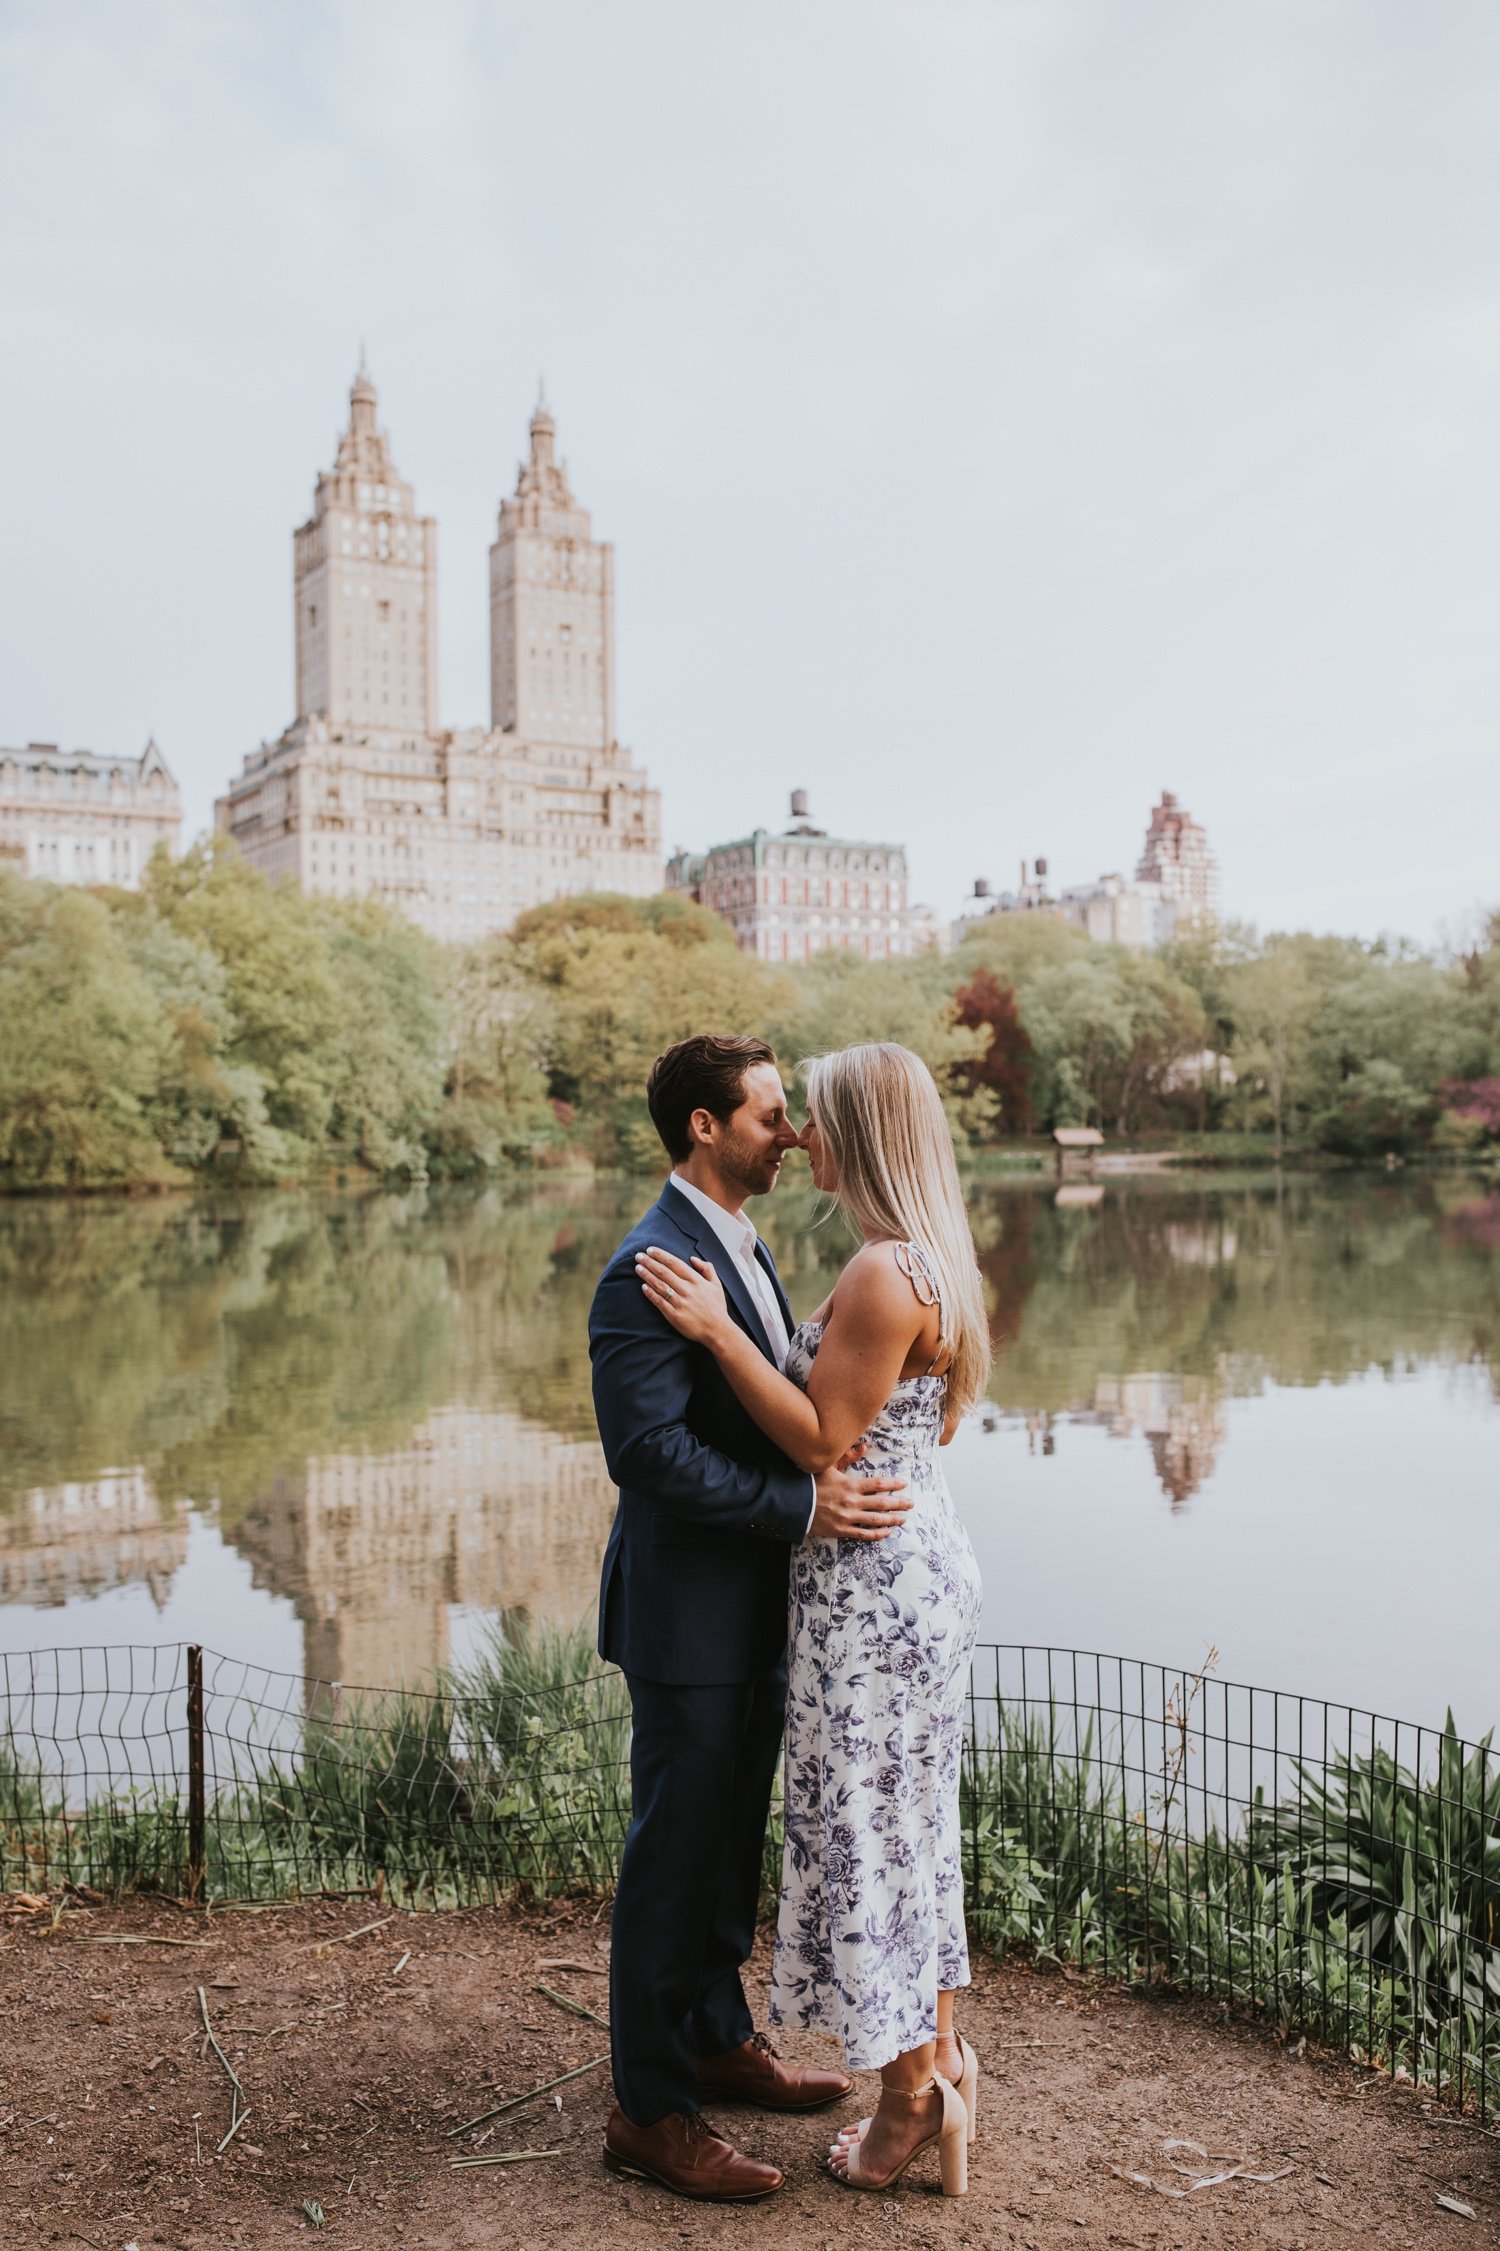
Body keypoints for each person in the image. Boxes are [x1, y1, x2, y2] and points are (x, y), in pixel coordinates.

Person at [636, 1040, 990, 2198]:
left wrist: (723, 1333)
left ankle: (905, 2105)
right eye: (782, 1116)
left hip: (874, 1591)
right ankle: (934, 2063)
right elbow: (908, 1434)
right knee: (907, 1827)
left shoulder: (888, 1273)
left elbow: (826, 1440)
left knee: (869, 1835)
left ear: (863, 1132)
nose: (798, 1136)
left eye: (812, 1117)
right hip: (902, 1569)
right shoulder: (923, 1261)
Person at [590, 1033, 913, 2204]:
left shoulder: (739, 1246)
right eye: (771, 1115)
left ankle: (719, 2036)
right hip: (685, 1620)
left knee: (728, 1841)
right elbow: (647, 1452)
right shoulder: (649, 1266)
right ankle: (650, 2109)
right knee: (671, 1858)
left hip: (755, 1608)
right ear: (706, 1130)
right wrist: (804, 1507)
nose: (792, 1133)